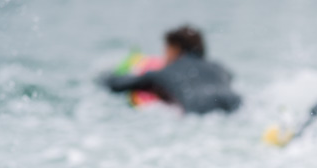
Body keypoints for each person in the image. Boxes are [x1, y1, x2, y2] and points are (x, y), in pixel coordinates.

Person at [103, 25, 241, 114]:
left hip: (198, 111)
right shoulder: (220, 69)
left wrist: (106, 74)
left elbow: (116, 85)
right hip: (236, 104)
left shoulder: (164, 73)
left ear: (174, 49)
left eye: (166, 50)